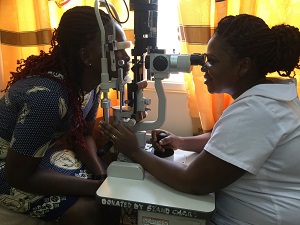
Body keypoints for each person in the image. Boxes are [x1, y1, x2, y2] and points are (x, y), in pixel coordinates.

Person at [100, 14, 300, 225]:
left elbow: (193, 182)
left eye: (212, 61)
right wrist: (181, 142)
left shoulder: (257, 109)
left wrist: (135, 152)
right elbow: (226, 140)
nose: (203, 67)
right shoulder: (267, 97)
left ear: (243, 66)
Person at [0, 5, 131, 225]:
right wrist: (97, 189)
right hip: (10, 165)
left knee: (111, 192)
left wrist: (101, 175)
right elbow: (19, 175)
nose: (125, 57)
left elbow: (82, 135)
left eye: (125, 47)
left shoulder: (91, 86)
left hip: (38, 156)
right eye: (116, 48)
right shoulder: (48, 98)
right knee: (90, 211)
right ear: (86, 56)